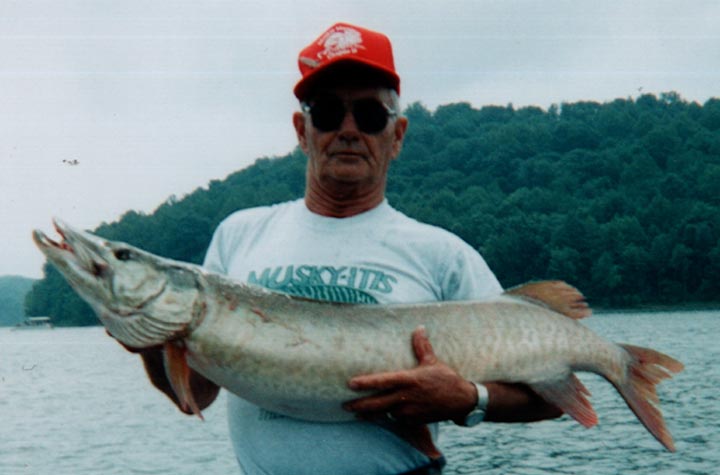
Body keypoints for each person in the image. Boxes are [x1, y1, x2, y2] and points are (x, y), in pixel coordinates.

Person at [123, 22, 561, 475]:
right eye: (328, 112)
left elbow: (549, 398)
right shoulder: (239, 235)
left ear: (398, 136)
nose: (349, 129)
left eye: (370, 115)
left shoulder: (444, 255)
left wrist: (469, 399)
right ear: (301, 129)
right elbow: (195, 395)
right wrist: (148, 342)